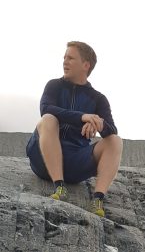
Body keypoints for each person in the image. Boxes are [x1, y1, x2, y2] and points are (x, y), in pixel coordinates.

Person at [25, 41, 123, 217]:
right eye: (64, 57)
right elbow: (46, 109)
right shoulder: (54, 85)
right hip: (43, 160)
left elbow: (111, 130)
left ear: (86, 65)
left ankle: (98, 199)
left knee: (115, 141)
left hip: (75, 162)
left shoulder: (98, 99)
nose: (65, 61)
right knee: (49, 119)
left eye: (70, 58)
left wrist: (98, 122)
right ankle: (59, 186)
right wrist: (82, 117)